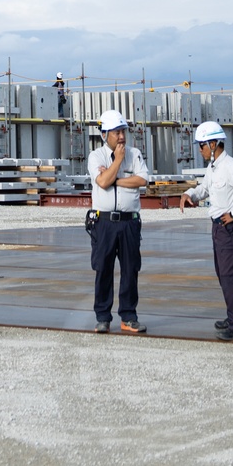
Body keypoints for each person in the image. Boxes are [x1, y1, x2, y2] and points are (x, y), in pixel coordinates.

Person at [180, 120, 233, 341]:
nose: (200, 150)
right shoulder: (213, 167)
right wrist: (190, 194)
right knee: (224, 276)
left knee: (230, 277)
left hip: (229, 228)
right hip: (219, 228)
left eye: (201, 145)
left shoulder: (230, 166)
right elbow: (204, 189)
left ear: (213, 144)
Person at [87, 109, 149, 334]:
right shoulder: (96, 156)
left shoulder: (135, 153)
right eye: (116, 132)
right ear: (105, 135)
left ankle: (128, 316)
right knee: (103, 269)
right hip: (104, 222)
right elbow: (102, 181)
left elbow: (142, 179)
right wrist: (118, 162)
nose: (122, 137)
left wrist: (117, 179)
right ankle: (103, 317)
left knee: (130, 269)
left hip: (129, 222)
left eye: (123, 131)